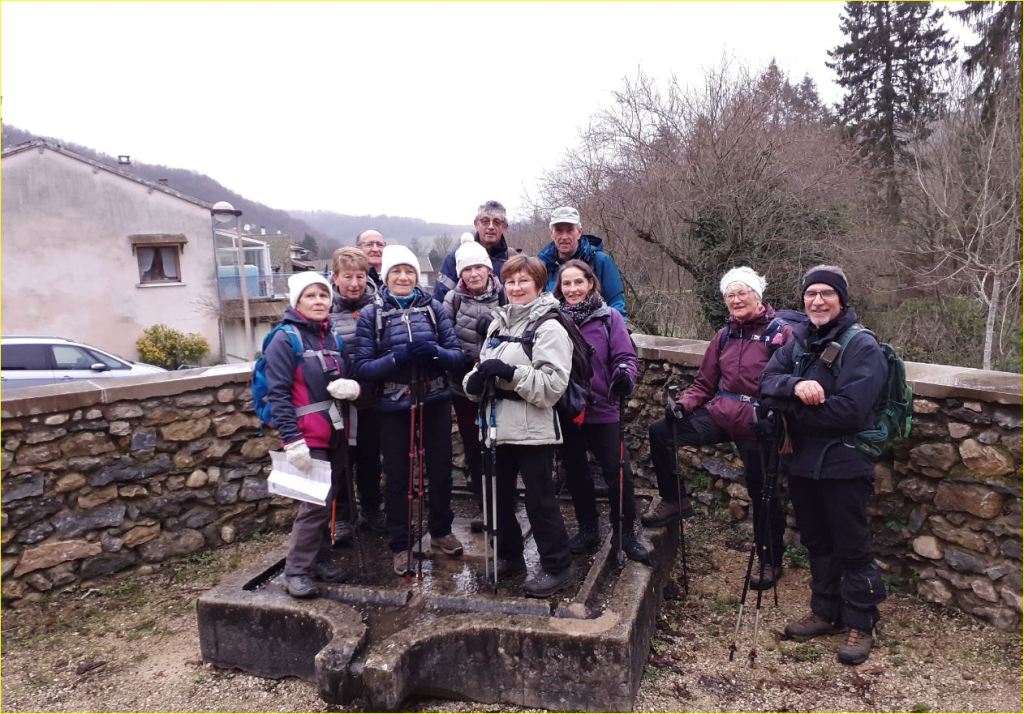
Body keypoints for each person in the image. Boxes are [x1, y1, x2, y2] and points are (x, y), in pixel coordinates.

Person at [759, 265, 888, 666]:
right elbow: (766, 381)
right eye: (811, 294)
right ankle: (825, 611)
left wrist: (790, 411)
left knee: (852, 545)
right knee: (816, 540)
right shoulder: (799, 341)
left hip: (845, 462)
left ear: (842, 300)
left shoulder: (862, 346)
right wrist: (795, 386)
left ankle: (861, 622)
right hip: (802, 462)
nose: (817, 301)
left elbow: (851, 411)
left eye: (826, 294)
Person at [643, 266, 789, 591]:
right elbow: (704, 383)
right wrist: (683, 406)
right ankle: (674, 498)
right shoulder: (723, 336)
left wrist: (774, 415)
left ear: (757, 295)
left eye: (742, 293)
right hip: (721, 414)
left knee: (763, 492)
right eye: (730, 295)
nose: (736, 300)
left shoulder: (780, 334)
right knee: (661, 432)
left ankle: (771, 559)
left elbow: (789, 382)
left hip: (758, 423)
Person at [463, 255, 574, 598]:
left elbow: (553, 386)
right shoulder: (498, 324)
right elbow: (482, 367)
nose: (516, 287)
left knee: (540, 501)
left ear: (539, 285)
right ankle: (510, 555)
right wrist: (473, 382)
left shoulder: (550, 327)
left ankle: (558, 566)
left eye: (524, 281)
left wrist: (510, 374)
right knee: (497, 498)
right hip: (495, 426)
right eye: (510, 281)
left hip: (532, 429)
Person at [350, 245, 465, 576]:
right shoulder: (372, 314)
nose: (403, 277)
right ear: (386, 276)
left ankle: (441, 530)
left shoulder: (434, 309)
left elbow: (457, 356)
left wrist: (434, 353)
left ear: (417, 275)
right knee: (397, 475)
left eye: (409, 271)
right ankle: (400, 544)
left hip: (434, 399)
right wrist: (396, 359)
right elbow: (362, 367)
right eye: (397, 272)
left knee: (440, 470)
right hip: (393, 405)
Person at [267, 272, 363, 598]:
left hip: (334, 431)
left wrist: (352, 387)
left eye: (323, 296)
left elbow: (348, 373)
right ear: (297, 302)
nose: (319, 301)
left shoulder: (331, 336)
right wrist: (292, 440)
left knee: (327, 499)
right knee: (313, 506)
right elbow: (278, 394)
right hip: (306, 436)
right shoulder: (284, 340)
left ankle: (320, 560)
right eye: (311, 296)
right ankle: (295, 571)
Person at [553, 259, 650, 562]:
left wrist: (624, 375)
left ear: (591, 283)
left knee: (618, 473)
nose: (573, 289)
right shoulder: (553, 320)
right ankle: (588, 529)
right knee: (576, 473)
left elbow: (625, 356)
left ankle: (627, 532)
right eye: (567, 283)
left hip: (603, 407)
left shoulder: (609, 318)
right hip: (568, 407)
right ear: (560, 287)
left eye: (578, 282)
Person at [442, 235, 505, 531]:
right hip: (464, 386)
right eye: (467, 269)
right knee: (473, 444)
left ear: (488, 269)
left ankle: (503, 502)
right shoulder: (452, 300)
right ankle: (483, 504)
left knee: (500, 444)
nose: (473, 273)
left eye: (478, 267)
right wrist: (464, 359)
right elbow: (445, 336)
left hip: (499, 386)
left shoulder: (504, 295)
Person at [328, 247, 385, 542]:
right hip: (335, 400)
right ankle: (343, 517)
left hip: (370, 396)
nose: (354, 283)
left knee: (369, 458)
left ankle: (372, 510)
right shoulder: (324, 307)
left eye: (360, 277)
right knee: (341, 461)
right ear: (335, 277)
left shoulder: (378, 305)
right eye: (348, 277)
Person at [538, 206, 626, 319]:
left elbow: (616, 303)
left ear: (579, 232)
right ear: (552, 234)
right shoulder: (543, 266)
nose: (564, 237)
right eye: (559, 231)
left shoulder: (600, 260)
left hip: (596, 327)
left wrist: (616, 327)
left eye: (570, 230)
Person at [433, 200, 511, 303]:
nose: (491, 226)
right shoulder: (456, 258)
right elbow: (439, 300)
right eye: (485, 221)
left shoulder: (513, 259)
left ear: (504, 227)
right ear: (476, 224)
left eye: (497, 222)